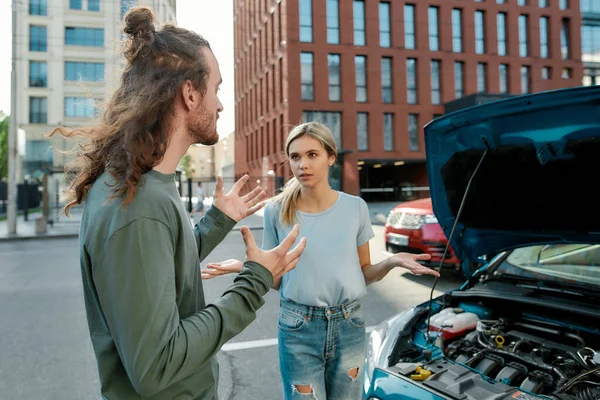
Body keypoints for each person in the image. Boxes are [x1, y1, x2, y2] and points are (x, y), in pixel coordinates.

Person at [48, 7, 306, 400]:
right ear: (189, 93)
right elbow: (157, 366)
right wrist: (255, 280)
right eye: (217, 89)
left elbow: (162, 265)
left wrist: (217, 221)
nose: (220, 105)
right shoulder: (138, 206)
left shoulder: (143, 184)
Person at [202, 121, 440, 399]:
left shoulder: (355, 208)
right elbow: (277, 279)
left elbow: (364, 273)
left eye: (312, 155)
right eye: (295, 156)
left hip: (349, 324)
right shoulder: (276, 212)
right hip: (297, 327)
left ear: (330, 157)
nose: (302, 164)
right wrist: (246, 268)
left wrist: (392, 261)